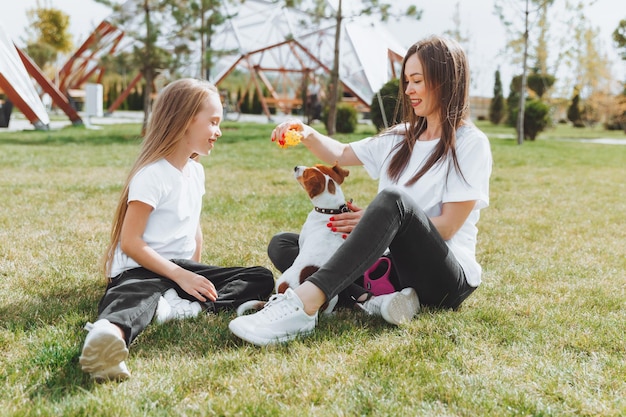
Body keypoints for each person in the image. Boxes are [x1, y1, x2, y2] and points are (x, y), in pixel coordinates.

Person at [229, 36, 492, 346]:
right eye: (406, 81)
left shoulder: (471, 144)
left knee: (393, 202)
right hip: (394, 268)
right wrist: (305, 131)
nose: (408, 90)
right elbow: (340, 154)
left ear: (446, 80)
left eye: (417, 81)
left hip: (444, 279)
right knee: (286, 246)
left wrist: (385, 222)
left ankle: (304, 304)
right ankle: (373, 300)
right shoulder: (401, 138)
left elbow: (448, 226)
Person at [79, 78, 274, 381]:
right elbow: (130, 242)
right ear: (184, 121)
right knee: (135, 299)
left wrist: (192, 273)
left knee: (259, 277)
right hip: (142, 268)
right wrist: (180, 276)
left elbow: (193, 230)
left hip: (180, 270)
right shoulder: (152, 175)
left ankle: (180, 307)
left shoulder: (196, 171)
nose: (218, 131)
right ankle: (108, 336)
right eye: (212, 122)